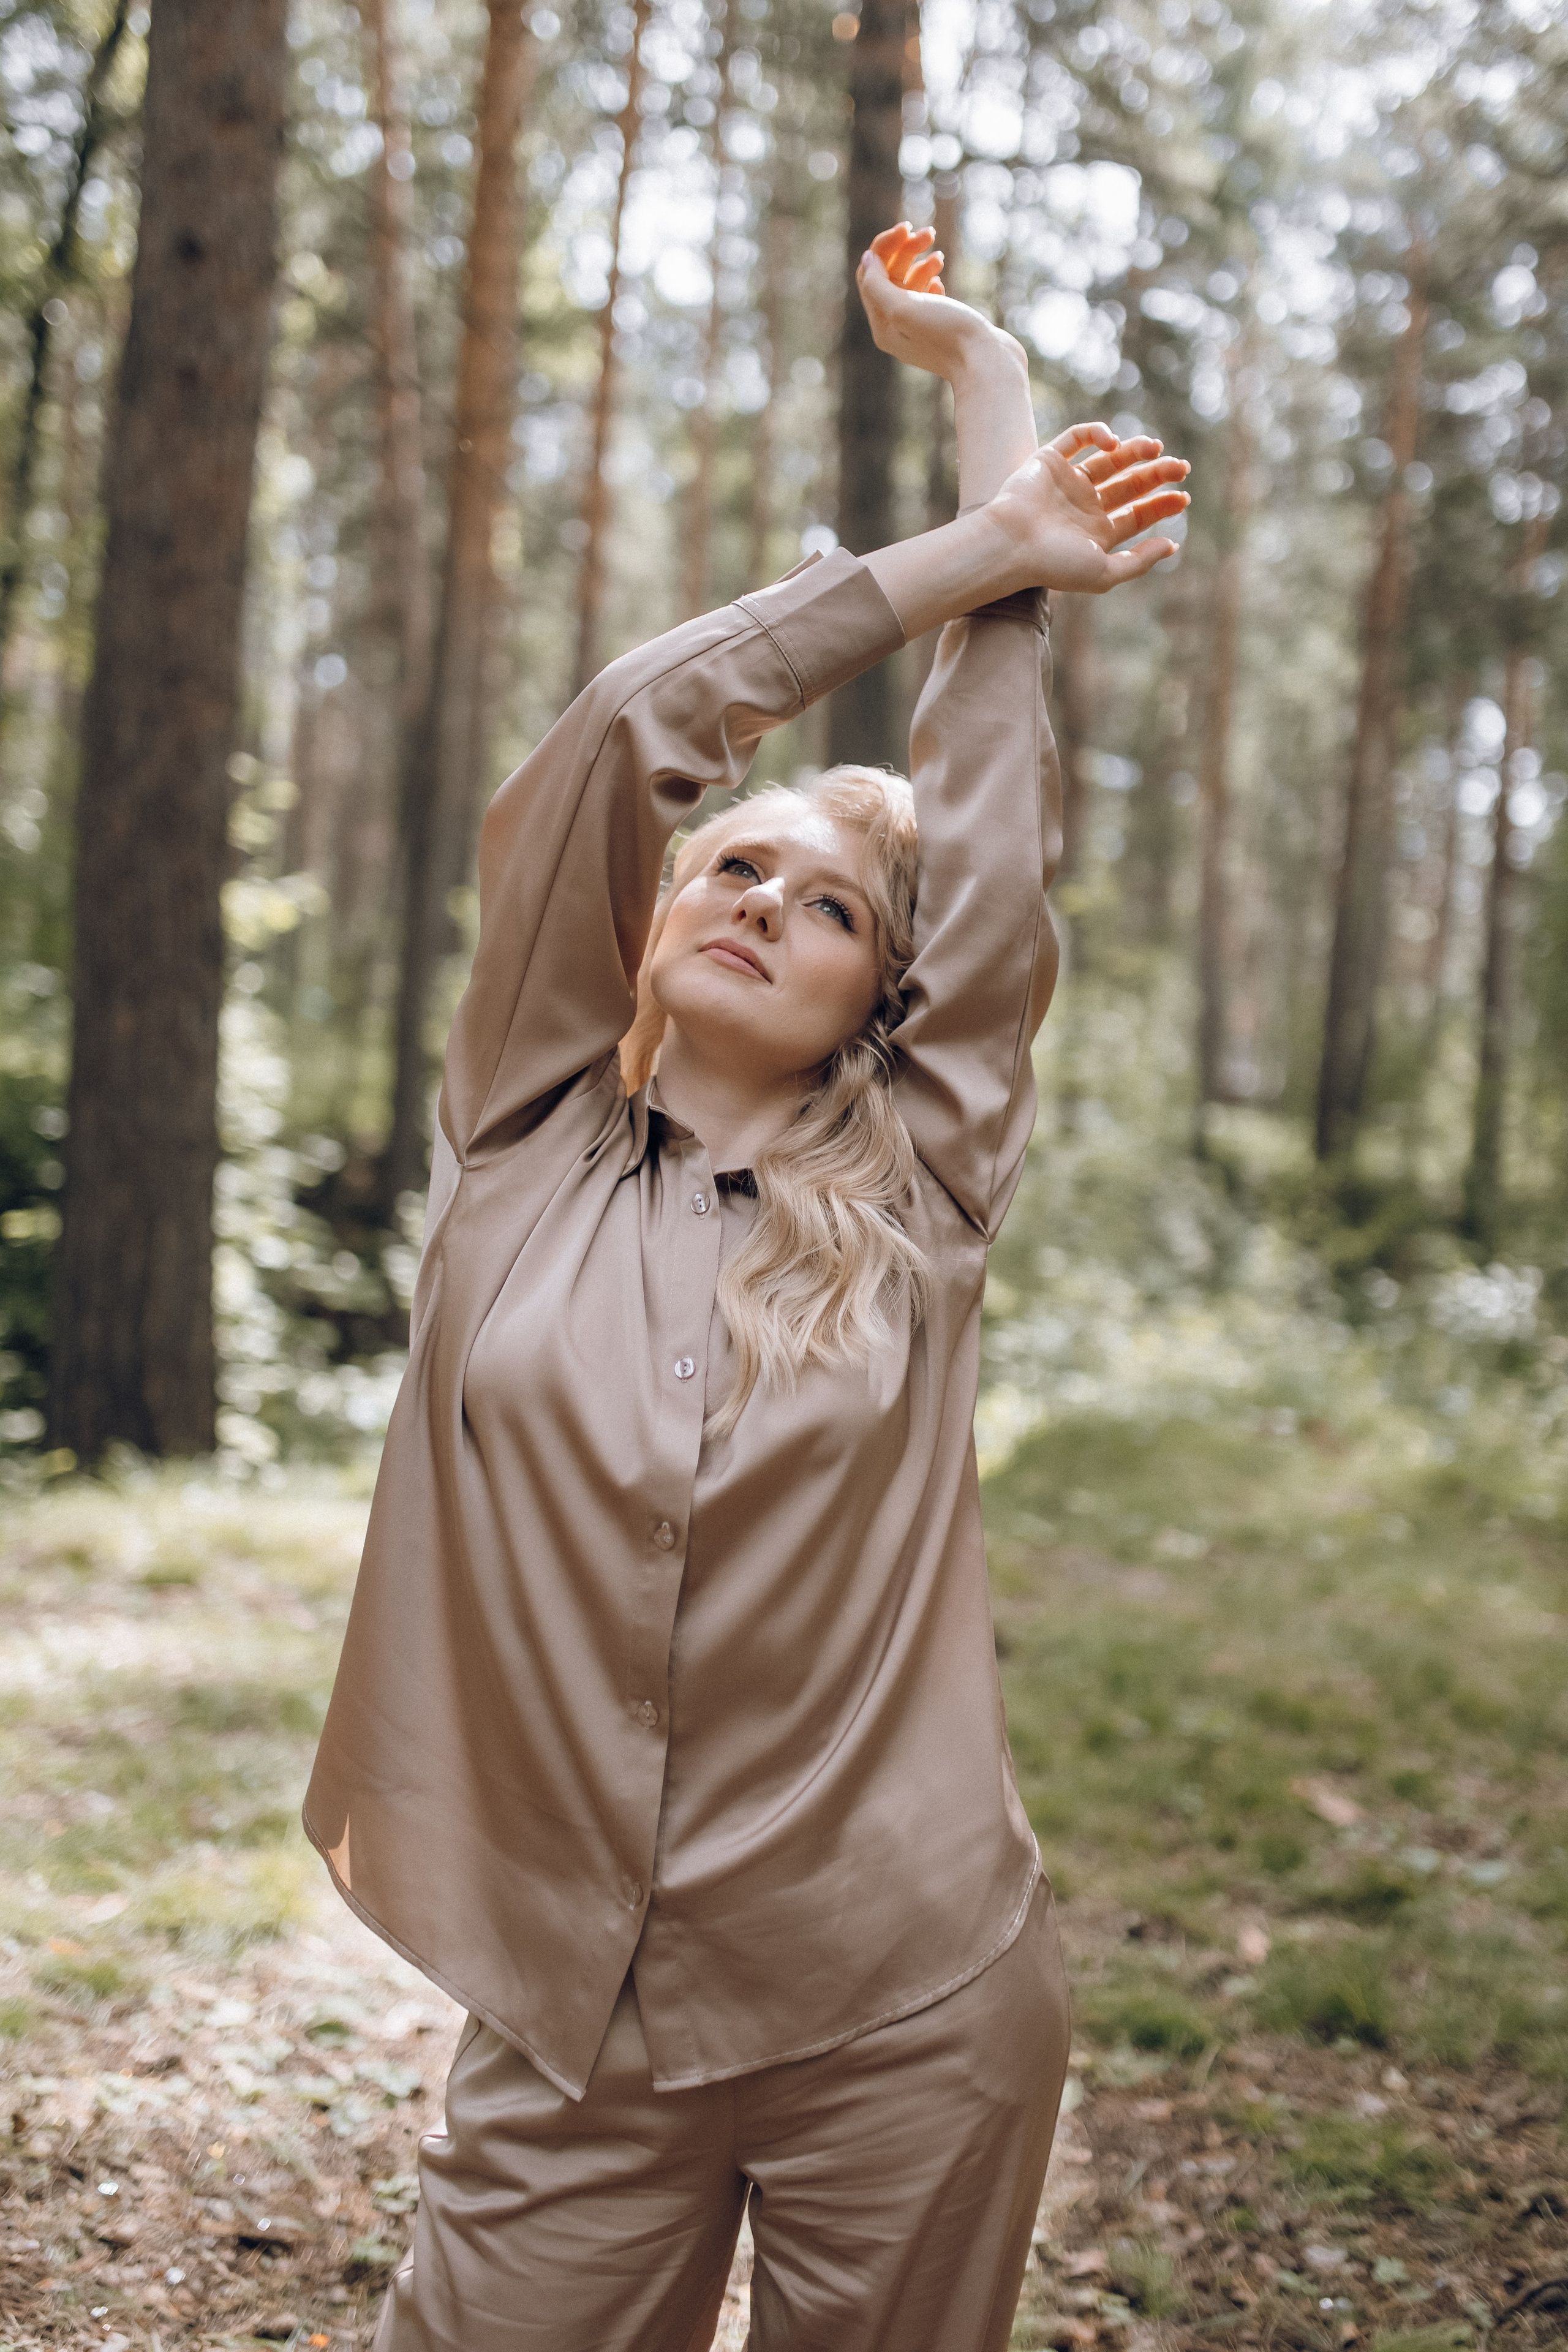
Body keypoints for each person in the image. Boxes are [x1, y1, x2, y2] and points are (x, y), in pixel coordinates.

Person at [303, 221, 1189, 2352]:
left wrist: (1001, 438)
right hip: (574, 2017)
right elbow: (621, 738)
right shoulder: (520, 1139)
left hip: (908, 2000)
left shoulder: (928, 1189)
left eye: (830, 906)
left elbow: (987, 838)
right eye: (735, 864)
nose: (766, 897)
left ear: (887, 997)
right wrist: (969, 530)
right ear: (654, 916)